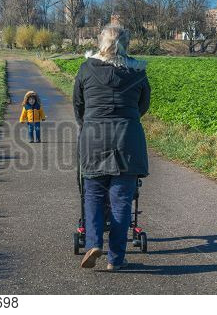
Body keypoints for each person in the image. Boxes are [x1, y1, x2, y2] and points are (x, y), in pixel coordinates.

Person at [73, 25, 151, 271]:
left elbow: (78, 104)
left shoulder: (86, 69)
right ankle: (115, 259)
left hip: (94, 137)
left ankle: (94, 243)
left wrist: (88, 125)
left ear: (101, 42)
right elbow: (143, 104)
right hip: (128, 139)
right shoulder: (137, 71)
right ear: (126, 44)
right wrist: (127, 119)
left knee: (94, 195)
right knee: (121, 201)